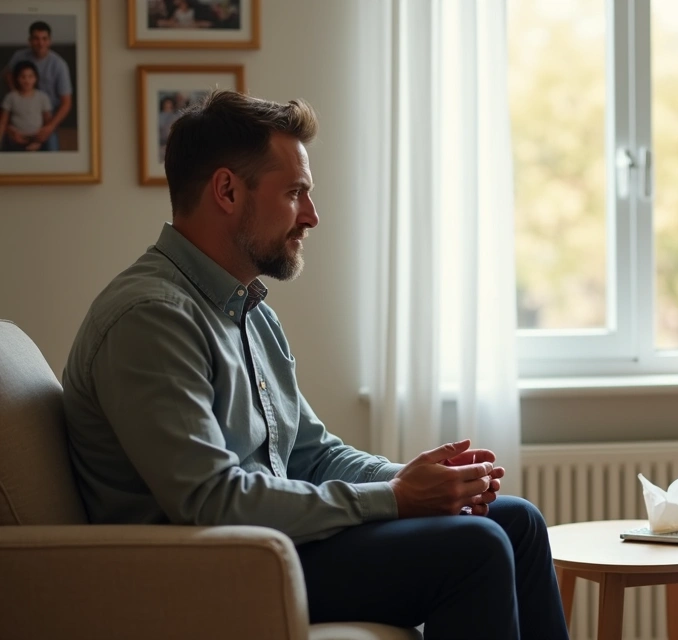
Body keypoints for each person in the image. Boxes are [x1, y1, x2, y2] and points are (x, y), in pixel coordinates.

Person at [61, 90, 569, 639]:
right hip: (206, 572)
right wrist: (396, 500)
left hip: (270, 547)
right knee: (477, 548)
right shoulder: (151, 319)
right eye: (296, 193)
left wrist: (407, 478)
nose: (312, 216)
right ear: (228, 191)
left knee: (515, 521)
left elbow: (309, 453)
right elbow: (210, 501)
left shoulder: (247, 310)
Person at [2, 21, 72, 152]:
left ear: (50, 41)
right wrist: (19, 97)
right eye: (36, 38)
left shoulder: (59, 65)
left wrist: (49, 128)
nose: (40, 43)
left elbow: (66, 102)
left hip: (47, 117)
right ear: (29, 40)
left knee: (53, 154)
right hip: (19, 113)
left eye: (44, 39)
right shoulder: (19, 56)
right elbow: (7, 74)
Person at [0, 61, 52, 151]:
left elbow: (48, 122)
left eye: (30, 76)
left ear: (36, 78)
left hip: (37, 138)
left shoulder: (43, 97)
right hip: (15, 138)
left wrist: (39, 141)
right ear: (17, 78)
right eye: (23, 77)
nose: (27, 80)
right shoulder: (10, 97)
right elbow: (3, 122)